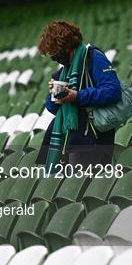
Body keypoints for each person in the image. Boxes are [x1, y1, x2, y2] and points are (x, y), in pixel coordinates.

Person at [36, 21, 122, 172]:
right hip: (68, 138)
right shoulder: (63, 72)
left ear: (65, 45)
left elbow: (113, 91)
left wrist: (77, 96)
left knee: (81, 189)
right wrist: (53, 94)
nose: (54, 58)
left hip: (92, 139)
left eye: (55, 52)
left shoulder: (93, 57)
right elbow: (52, 108)